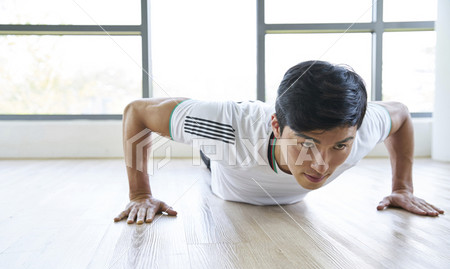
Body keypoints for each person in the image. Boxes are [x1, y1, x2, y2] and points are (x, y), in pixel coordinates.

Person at [114, 60, 444, 225]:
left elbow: (400, 114)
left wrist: (403, 188)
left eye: (339, 147)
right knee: (215, 146)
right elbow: (137, 112)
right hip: (224, 158)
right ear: (277, 125)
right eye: (307, 144)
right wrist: (140, 194)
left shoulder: (361, 128)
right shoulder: (227, 127)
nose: (321, 164)